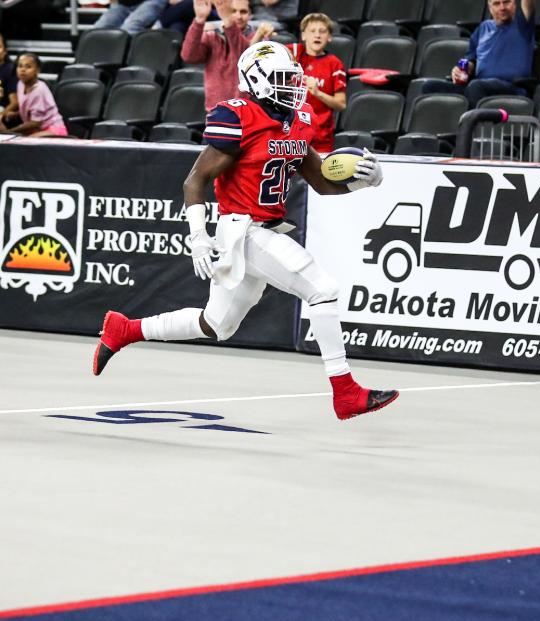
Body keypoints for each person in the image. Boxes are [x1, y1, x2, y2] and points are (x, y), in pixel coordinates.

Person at [93, 41, 399, 420]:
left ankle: (124, 330)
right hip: (242, 229)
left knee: (215, 324)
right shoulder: (238, 116)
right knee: (323, 290)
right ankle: (345, 391)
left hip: (263, 229)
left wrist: (365, 182)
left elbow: (321, 181)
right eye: (283, 78)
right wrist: (198, 237)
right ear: (257, 81)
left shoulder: (300, 117)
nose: (293, 84)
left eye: (292, 76)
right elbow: (195, 180)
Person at [421, 0, 536, 108]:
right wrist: (460, 70)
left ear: (514, 4)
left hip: (511, 87)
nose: (502, 7)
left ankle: (472, 126)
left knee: (476, 86)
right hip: (479, 87)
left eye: (506, 2)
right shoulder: (483, 28)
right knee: (430, 86)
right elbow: (470, 60)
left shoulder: (522, 24)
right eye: (496, 3)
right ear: (490, 7)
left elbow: (528, 3)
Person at [181, 0, 275, 110]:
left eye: (243, 12)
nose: (238, 16)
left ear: (250, 15)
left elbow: (243, 56)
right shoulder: (212, 36)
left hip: (247, 110)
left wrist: (228, 21)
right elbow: (189, 56)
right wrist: (199, 20)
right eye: (233, 11)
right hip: (215, 110)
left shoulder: (259, 39)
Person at [288, 12, 346, 153]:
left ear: (330, 37)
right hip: (292, 131)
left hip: (320, 137)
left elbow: (341, 104)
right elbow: (264, 52)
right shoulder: (294, 52)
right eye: (312, 31)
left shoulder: (335, 64)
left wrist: (317, 93)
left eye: (322, 31)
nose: (317, 35)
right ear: (303, 35)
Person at [0, 52, 67, 137]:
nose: (23, 70)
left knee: (23, 142)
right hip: (35, 130)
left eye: (28, 67)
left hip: (52, 129)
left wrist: (10, 132)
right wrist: (16, 114)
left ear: (37, 70)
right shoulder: (20, 84)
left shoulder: (39, 90)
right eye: (20, 66)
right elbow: (29, 108)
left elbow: (36, 123)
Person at [92, 0, 168, 35]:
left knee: (130, 28)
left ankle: (126, 64)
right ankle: (91, 62)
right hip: (124, 4)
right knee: (98, 29)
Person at [0, 33, 19, 125]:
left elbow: (15, 102)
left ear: (5, 51)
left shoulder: (10, 70)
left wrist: (2, 114)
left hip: (4, 112)